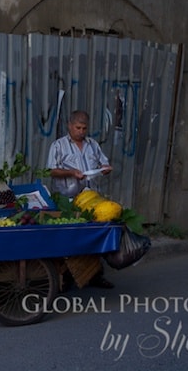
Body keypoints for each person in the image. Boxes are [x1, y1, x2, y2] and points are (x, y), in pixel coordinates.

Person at [47, 109, 115, 289]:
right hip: (68, 200)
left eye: (84, 128)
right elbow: (51, 170)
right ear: (70, 126)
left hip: (92, 200)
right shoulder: (58, 145)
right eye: (78, 128)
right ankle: (68, 277)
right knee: (70, 239)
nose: (81, 132)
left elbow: (103, 163)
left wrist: (105, 168)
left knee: (93, 238)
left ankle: (95, 275)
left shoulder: (93, 145)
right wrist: (71, 172)